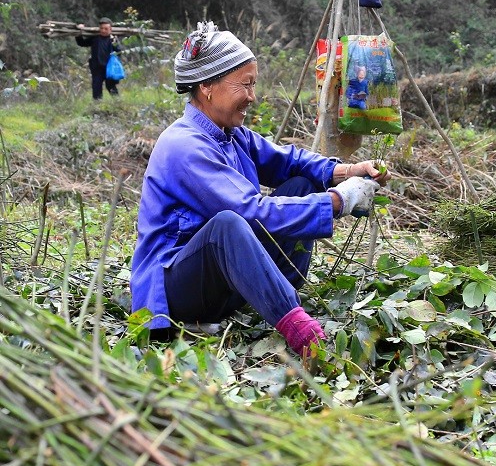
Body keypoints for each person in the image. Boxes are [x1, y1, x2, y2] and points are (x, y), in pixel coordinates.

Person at [130, 21, 389, 357]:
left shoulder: (232, 134)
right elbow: (250, 211)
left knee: (301, 184)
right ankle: (296, 325)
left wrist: (348, 172)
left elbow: (289, 161)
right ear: (207, 85)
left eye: (253, 85)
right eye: (245, 84)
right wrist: (340, 201)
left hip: (223, 283)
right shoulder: (184, 146)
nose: (252, 96)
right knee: (228, 225)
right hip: (177, 293)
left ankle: (278, 297)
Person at [75, 17, 121, 100]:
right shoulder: (95, 38)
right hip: (97, 67)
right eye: (101, 28)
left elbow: (119, 52)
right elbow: (82, 43)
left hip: (109, 68)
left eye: (106, 29)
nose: (103, 30)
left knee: (111, 86)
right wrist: (79, 34)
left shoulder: (113, 39)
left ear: (110, 29)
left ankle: (118, 103)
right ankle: (97, 105)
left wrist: (115, 44)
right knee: (96, 87)